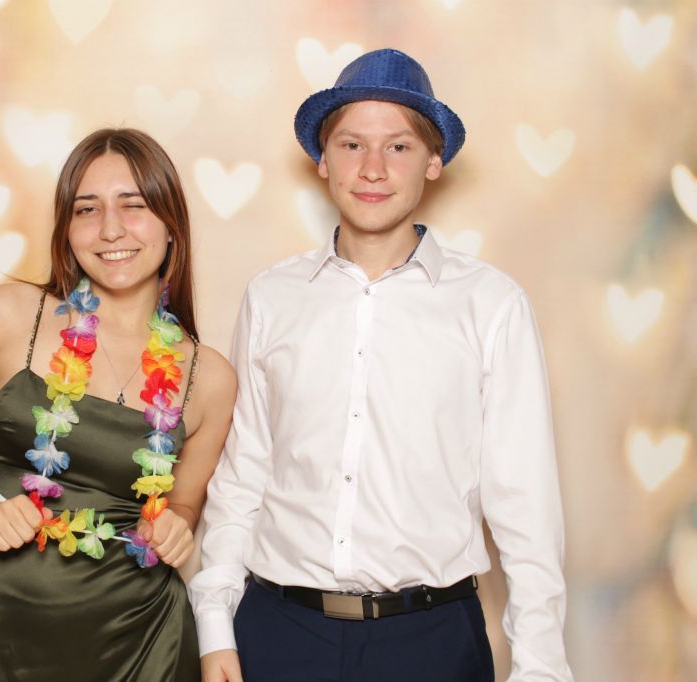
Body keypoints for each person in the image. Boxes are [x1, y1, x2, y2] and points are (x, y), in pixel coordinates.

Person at [190, 48, 573, 681]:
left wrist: (541, 669)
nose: (372, 168)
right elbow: (244, 476)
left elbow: (525, 505)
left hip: (431, 640)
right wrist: (214, 625)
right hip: (279, 631)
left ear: (433, 161)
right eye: (351, 145)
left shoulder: (491, 305)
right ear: (323, 159)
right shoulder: (273, 297)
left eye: (398, 146)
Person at [0, 128, 236, 681]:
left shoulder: (209, 377)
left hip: (145, 642)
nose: (111, 229)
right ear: (66, 230)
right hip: (2, 635)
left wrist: (177, 525)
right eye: (88, 209)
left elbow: (180, 507)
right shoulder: (7, 317)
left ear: (170, 225)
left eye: (134, 205)